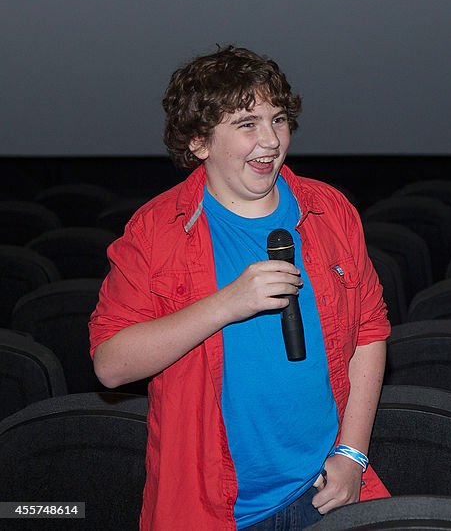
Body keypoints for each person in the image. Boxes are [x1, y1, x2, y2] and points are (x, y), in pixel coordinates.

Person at [89, 46, 391, 530]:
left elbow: (371, 331)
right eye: (248, 124)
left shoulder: (329, 210)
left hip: (323, 490)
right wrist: (226, 304)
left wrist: (352, 454)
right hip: (211, 507)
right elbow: (110, 365)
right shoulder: (155, 230)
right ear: (199, 143)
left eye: (278, 119)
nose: (270, 140)